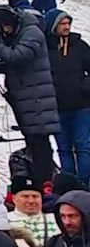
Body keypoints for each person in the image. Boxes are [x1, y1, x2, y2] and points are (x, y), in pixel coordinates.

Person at [0, 3, 61, 185]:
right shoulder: (19, 32)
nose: (3, 31)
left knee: (39, 141)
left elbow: (16, 57)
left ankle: (46, 182)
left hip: (36, 98)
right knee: (34, 140)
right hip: (27, 95)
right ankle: (41, 179)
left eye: (4, 26)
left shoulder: (31, 33)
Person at [47, 10, 90, 178]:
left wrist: (84, 87)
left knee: (83, 146)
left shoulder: (79, 45)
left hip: (82, 105)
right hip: (56, 106)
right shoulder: (45, 47)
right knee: (63, 147)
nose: (66, 27)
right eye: (62, 24)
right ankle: (68, 183)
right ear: (53, 26)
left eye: (67, 23)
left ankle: (85, 183)